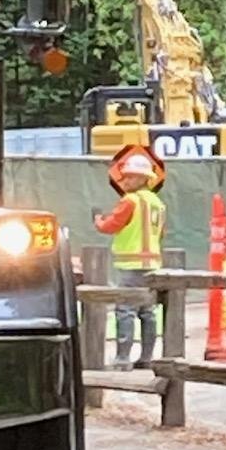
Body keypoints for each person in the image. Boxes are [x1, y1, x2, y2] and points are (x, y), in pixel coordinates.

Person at [94, 153, 166, 371]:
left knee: (125, 310)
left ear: (143, 179)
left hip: (130, 266)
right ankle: (146, 358)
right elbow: (161, 233)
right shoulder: (158, 203)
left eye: (130, 177)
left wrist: (98, 221)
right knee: (147, 311)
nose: (124, 181)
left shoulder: (130, 201)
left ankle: (123, 359)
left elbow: (111, 225)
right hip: (153, 266)